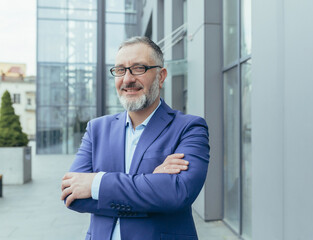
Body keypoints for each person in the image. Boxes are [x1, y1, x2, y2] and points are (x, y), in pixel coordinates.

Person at [60, 36, 210, 240]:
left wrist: (96, 184)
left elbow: (177, 194)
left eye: (139, 68)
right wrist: (152, 184)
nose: (128, 79)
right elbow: (72, 195)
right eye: (120, 70)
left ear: (161, 76)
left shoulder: (189, 128)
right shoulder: (97, 129)